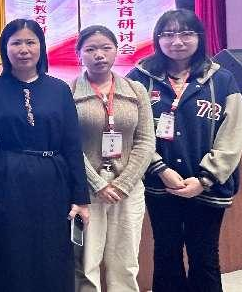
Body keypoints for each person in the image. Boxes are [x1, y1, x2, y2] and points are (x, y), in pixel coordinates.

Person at [127, 9, 242, 292]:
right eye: (168, 34)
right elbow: (131, 129)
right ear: (157, 38)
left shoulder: (223, 79)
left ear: (199, 37)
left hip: (207, 186)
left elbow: (232, 136)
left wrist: (205, 179)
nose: (177, 41)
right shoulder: (139, 78)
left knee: (204, 257)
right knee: (166, 253)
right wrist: (160, 169)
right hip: (159, 185)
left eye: (185, 33)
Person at [0, 18, 89, 292]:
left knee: (52, 253)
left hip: (53, 182)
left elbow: (72, 145)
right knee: (9, 252)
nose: (23, 49)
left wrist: (80, 198)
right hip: (7, 181)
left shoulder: (59, 89)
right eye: (16, 43)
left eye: (30, 42)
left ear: (41, 47)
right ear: (5, 48)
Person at [72, 25, 155, 292]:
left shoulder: (135, 90)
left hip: (128, 189)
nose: (99, 55)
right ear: (79, 54)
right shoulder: (68, 91)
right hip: (86, 190)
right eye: (90, 49)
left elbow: (145, 141)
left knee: (125, 261)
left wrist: (123, 184)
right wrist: (98, 184)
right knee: (87, 262)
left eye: (106, 48)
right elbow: (69, 145)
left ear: (117, 51)